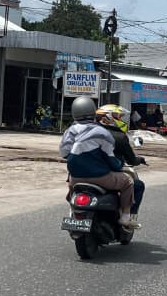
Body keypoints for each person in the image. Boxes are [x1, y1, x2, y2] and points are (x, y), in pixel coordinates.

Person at [58, 96, 135, 229]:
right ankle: (125, 217)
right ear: (92, 111)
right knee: (128, 181)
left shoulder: (70, 131)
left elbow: (64, 153)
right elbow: (110, 158)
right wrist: (118, 165)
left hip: (75, 178)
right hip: (100, 177)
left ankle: (72, 211)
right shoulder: (102, 132)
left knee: (71, 186)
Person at [95, 104, 147, 229]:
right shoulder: (119, 137)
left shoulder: (88, 133)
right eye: (118, 117)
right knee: (137, 185)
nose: (120, 120)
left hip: (80, 174)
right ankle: (127, 217)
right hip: (106, 174)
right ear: (108, 117)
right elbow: (131, 159)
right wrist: (139, 160)